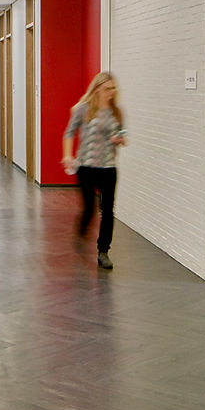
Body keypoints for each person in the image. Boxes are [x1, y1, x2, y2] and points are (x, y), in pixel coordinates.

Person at [61, 71, 126, 270]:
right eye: (107, 89)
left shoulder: (117, 111)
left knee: (107, 210)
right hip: (86, 166)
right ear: (97, 89)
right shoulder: (83, 109)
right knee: (89, 207)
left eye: (113, 89)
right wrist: (67, 155)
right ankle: (81, 232)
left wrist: (120, 139)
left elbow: (122, 134)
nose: (111, 93)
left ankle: (103, 251)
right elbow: (69, 132)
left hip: (108, 167)